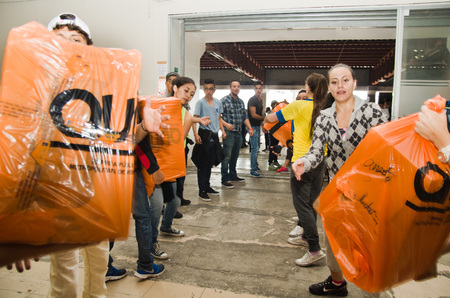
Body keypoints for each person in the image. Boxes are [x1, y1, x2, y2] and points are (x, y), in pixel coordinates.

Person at [292, 64, 388, 296]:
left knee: (369, 244)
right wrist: (304, 161)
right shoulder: (324, 117)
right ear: (329, 87)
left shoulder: (371, 112)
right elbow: (316, 150)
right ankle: (337, 283)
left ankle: (374, 286)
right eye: (334, 82)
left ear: (354, 83)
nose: (340, 86)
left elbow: (385, 150)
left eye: (345, 80)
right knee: (334, 239)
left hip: (368, 191)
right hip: (339, 187)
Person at [265, 73, 329, 269]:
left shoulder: (299, 106)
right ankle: (304, 237)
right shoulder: (327, 109)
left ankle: (315, 250)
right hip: (320, 160)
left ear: (308, 88)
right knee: (311, 204)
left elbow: (270, 118)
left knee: (302, 206)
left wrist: (270, 109)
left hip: (301, 161)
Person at [160, 76, 211, 236]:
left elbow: (179, 138)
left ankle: (166, 226)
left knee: (175, 199)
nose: (188, 95)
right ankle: (151, 243)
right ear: (175, 88)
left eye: (192, 93)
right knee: (155, 205)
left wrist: (196, 120)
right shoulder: (162, 106)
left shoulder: (186, 113)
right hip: (159, 159)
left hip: (176, 158)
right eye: (186, 91)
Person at [192, 78, 225, 201]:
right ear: (203, 89)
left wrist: (223, 131)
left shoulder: (218, 103)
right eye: (206, 88)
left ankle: (207, 186)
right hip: (204, 135)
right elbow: (193, 119)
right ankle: (202, 190)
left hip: (214, 136)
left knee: (211, 162)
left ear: (214, 90)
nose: (208, 91)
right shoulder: (200, 103)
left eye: (211, 88)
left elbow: (219, 118)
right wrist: (195, 135)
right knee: (202, 164)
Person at [220, 80, 254, 188]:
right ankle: (224, 179)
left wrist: (250, 128)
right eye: (234, 86)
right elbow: (217, 116)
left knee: (235, 156)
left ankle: (233, 175)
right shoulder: (224, 100)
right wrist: (225, 125)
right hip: (229, 133)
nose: (236, 88)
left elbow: (244, 117)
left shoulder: (241, 102)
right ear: (230, 88)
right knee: (226, 157)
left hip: (239, 134)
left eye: (238, 86)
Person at [247, 81, 265, 177]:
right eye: (256, 88)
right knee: (254, 148)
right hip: (252, 126)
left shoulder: (260, 100)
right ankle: (253, 169)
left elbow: (260, 114)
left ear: (262, 89)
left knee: (257, 147)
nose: (258, 90)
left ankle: (255, 165)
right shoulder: (252, 100)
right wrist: (266, 118)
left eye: (260, 88)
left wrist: (262, 125)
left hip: (257, 126)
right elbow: (253, 115)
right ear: (254, 89)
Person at [268, 100, 282, 171]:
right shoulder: (271, 112)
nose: (275, 105)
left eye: (276, 104)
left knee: (276, 147)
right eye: (274, 104)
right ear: (271, 105)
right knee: (272, 147)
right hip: (271, 132)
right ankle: (270, 162)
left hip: (278, 133)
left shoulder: (278, 112)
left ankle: (275, 161)